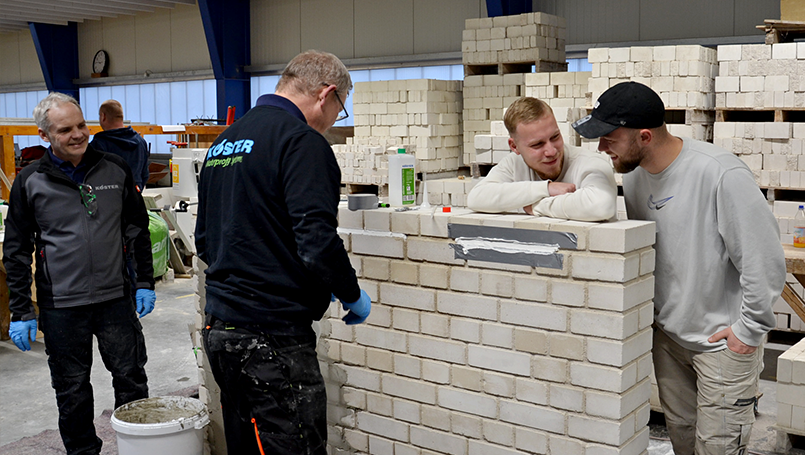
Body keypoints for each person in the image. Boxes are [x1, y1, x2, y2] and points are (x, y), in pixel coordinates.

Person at [573, 81, 785, 455]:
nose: (601, 147)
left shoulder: (720, 173)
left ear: (644, 136)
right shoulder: (635, 175)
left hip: (721, 344)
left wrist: (748, 331)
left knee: (717, 448)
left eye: (609, 137)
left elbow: (763, 259)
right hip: (670, 343)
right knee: (684, 441)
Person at [195, 50, 371, 455]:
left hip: (221, 330)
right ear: (327, 94)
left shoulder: (224, 142)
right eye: (339, 110)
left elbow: (206, 239)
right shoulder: (301, 142)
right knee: (296, 446)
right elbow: (317, 241)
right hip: (271, 338)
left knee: (248, 444)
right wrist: (349, 292)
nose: (332, 122)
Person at [4, 92, 157, 455]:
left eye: (81, 125)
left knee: (131, 380)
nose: (77, 135)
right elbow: (16, 249)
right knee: (72, 390)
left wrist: (146, 282)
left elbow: (137, 228)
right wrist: (22, 309)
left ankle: (139, 447)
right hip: (62, 306)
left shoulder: (114, 168)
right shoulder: (29, 182)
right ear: (44, 135)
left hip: (115, 300)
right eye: (65, 130)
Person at [467, 97, 617, 221]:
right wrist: (547, 188)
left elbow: (601, 205)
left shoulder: (591, 164)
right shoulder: (513, 164)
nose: (551, 151)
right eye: (537, 144)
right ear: (514, 147)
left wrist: (537, 206)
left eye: (555, 137)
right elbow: (477, 198)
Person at [90, 99, 150, 190]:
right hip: (134, 197)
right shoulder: (140, 142)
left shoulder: (98, 145)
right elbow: (145, 175)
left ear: (103, 117)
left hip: (108, 199)